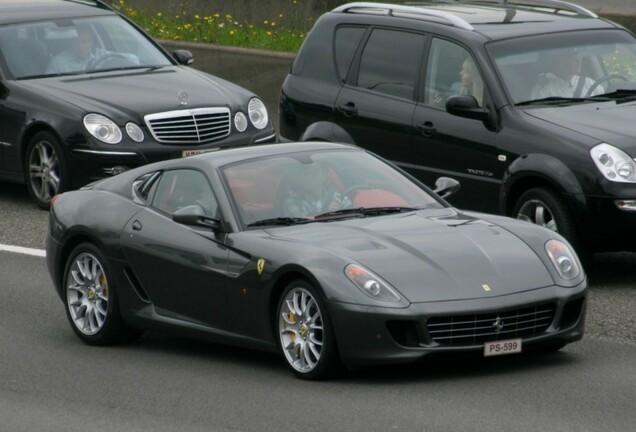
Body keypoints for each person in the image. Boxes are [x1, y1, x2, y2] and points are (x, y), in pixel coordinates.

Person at [282, 163, 351, 218]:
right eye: (304, 173)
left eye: (313, 172)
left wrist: (339, 212)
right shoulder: (292, 202)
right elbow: (302, 224)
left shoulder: (337, 198)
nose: (308, 176)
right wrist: (328, 213)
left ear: (323, 176)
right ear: (299, 178)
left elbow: (353, 215)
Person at [531, 49, 604, 99]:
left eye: (578, 57)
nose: (578, 61)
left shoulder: (589, 83)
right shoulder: (545, 89)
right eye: (571, 57)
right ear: (560, 61)